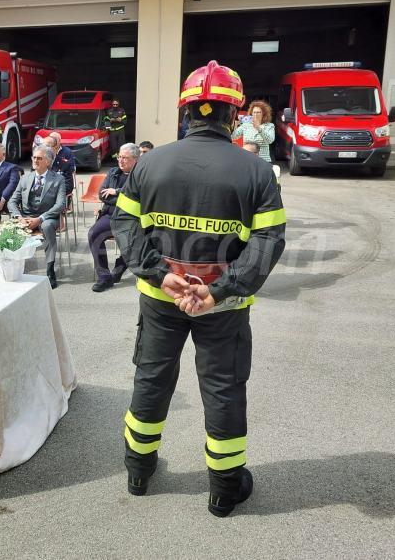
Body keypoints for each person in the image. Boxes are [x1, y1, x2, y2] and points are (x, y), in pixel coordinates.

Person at [111, 60, 286, 517]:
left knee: (151, 379)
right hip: (223, 308)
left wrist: (159, 275)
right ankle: (225, 490)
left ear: (186, 112)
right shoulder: (257, 172)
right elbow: (268, 241)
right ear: (235, 114)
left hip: (160, 299)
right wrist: (219, 289)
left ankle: (138, 471)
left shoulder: (149, 164)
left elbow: (125, 223)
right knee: (223, 389)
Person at [8, 145, 66, 289]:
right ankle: (14, 268)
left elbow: (60, 205)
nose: (35, 161)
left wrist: (40, 218)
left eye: (39, 158)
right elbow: (12, 201)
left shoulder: (58, 179)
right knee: (9, 227)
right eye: (34, 157)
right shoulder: (25, 178)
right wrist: (19, 217)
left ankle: (50, 269)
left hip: (48, 217)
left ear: (48, 162)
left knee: (46, 227)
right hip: (26, 217)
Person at [89, 143, 139, 292]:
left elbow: (137, 197)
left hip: (130, 218)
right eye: (119, 157)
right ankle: (104, 277)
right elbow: (102, 195)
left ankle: (120, 266)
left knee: (132, 241)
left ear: (135, 159)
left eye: (125, 158)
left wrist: (116, 192)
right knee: (94, 234)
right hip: (110, 215)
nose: (121, 160)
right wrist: (121, 197)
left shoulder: (140, 174)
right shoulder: (113, 172)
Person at [41, 135, 75, 209]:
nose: (42, 149)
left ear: (55, 148)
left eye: (46, 146)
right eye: (41, 146)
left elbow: (68, 186)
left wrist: (50, 192)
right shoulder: (38, 162)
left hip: (56, 198)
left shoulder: (64, 164)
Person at [0, 142, 20, 212]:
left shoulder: (12, 167)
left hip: (3, 200)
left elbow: (13, 184)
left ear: (3, 155)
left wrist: (3, 198)